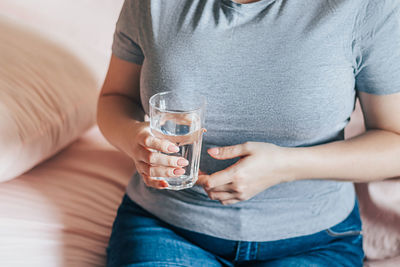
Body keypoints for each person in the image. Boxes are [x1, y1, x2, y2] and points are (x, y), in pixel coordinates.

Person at [97, 0, 400, 266]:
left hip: (315, 240)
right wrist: (135, 139)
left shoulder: (367, 6)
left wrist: (287, 167)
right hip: (166, 227)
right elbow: (115, 99)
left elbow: (394, 141)